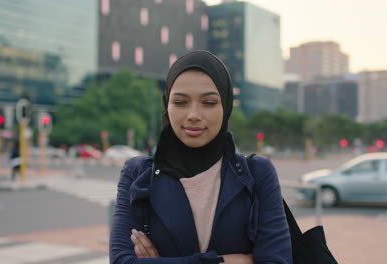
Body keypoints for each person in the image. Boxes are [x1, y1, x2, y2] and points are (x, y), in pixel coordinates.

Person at [110, 51, 292, 264]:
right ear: (166, 105)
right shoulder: (138, 173)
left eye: (209, 102)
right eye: (180, 102)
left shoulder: (257, 173)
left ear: (226, 105)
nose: (193, 114)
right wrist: (230, 261)